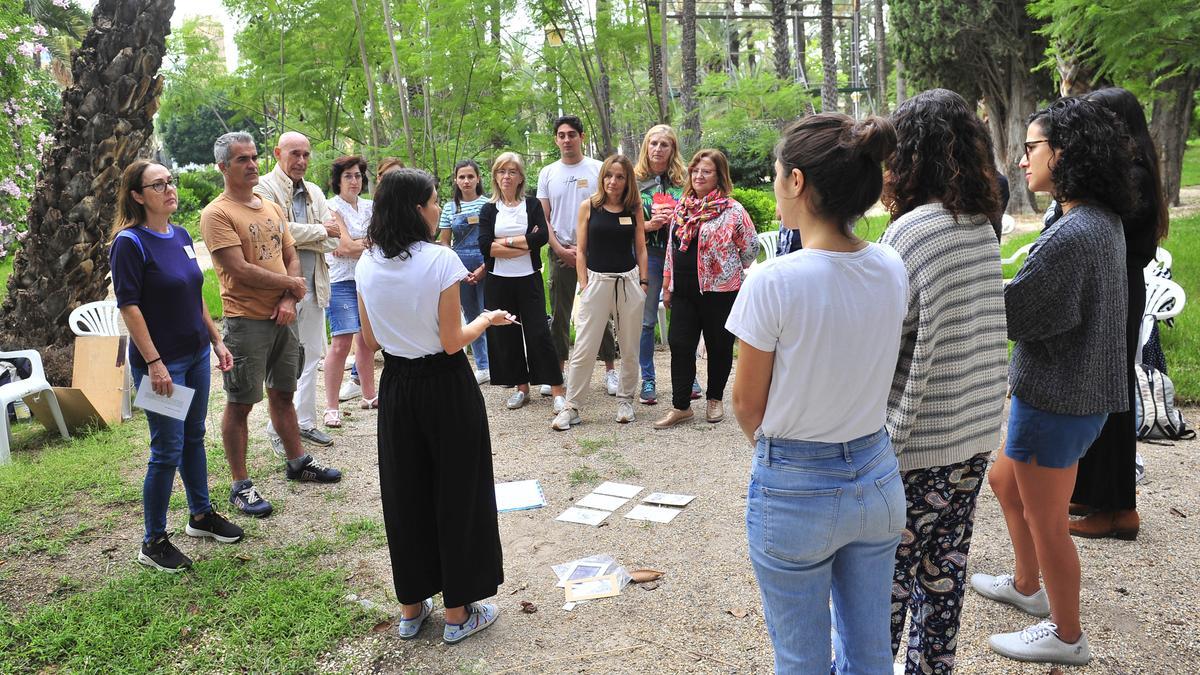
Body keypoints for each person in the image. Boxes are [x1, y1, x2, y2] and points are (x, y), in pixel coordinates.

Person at [727, 113, 907, 673]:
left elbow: (746, 405)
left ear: (798, 182)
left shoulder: (772, 280)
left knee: (801, 659)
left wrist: (792, 458)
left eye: (778, 175)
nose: (774, 188)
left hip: (796, 487)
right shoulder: (891, 265)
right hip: (877, 476)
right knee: (870, 652)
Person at [970, 98, 1134, 667]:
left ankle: (1067, 634)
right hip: (1070, 391)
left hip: (1060, 395)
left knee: (1048, 519)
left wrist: (971, 277)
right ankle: (1025, 583)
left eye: (1031, 148)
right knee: (1004, 482)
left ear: (1062, 153)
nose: (1022, 161)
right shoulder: (1090, 216)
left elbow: (1017, 311)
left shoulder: (1074, 231)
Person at [878, 89, 1008, 674]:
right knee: (943, 577)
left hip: (915, 445)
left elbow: (884, 343)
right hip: (973, 433)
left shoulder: (910, 235)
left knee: (884, 591)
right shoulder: (981, 225)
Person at [356, 167, 506, 644]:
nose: (440, 208)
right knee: (458, 490)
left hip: (398, 383)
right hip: (445, 385)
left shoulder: (366, 262)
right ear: (417, 208)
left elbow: (369, 338)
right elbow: (450, 341)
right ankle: (459, 612)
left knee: (406, 492)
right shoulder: (441, 260)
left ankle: (410, 607)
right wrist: (483, 318)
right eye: (435, 201)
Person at [110, 160, 244, 572]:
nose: (169, 189)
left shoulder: (182, 235)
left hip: (195, 355)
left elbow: (194, 294)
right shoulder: (130, 243)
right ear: (137, 195)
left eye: (171, 181)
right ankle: (152, 541)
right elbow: (129, 307)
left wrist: (216, 339)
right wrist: (153, 362)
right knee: (166, 448)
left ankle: (200, 515)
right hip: (161, 364)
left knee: (193, 436)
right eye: (157, 185)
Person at [201, 131, 342, 519]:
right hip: (246, 320)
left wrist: (287, 298)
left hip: (283, 315)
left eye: (253, 157)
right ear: (223, 167)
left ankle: (297, 461)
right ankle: (240, 484)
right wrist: (291, 287)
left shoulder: (269, 206)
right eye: (241, 159)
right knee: (242, 401)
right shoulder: (218, 213)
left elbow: (290, 254)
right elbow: (237, 268)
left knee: (284, 391)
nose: (251, 164)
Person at [1067, 87, 1168, 540]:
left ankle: (1118, 509)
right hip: (1115, 284)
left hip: (1120, 286)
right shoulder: (1131, 171)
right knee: (1101, 390)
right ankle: (1092, 491)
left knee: (1112, 396)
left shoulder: (1133, 175)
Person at [655, 149, 758, 429]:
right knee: (680, 344)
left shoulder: (732, 210)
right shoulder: (681, 209)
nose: (699, 176)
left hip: (721, 292)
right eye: (696, 170)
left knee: (719, 346)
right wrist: (667, 283)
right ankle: (681, 406)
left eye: (707, 171)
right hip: (684, 291)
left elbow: (750, 248)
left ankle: (714, 399)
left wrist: (725, 267)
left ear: (719, 176)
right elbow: (670, 249)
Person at [254, 132, 339, 453]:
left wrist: (301, 232)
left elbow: (335, 239)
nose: (301, 160)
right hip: (280, 291)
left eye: (306, 154)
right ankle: (278, 429)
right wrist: (317, 231)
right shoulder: (263, 188)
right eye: (294, 154)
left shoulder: (315, 191)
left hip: (314, 285)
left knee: (312, 355)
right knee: (282, 361)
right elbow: (273, 232)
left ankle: (303, 422)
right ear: (278, 153)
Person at [553, 155, 648, 430]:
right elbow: (581, 250)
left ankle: (625, 401)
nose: (613, 182)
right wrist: (584, 284)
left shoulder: (634, 208)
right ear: (601, 177)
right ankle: (572, 407)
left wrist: (643, 283)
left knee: (629, 345)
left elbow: (640, 248)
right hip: (597, 281)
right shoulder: (589, 207)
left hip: (628, 281)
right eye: (608, 175)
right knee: (584, 346)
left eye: (619, 176)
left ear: (627, 180)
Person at [537, 115, 618, 397]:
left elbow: (607, 208)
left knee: (599, 310)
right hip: (561, 251)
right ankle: (558, 372)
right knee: (559, 315)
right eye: (561, 135)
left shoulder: (598, 169)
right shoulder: (547, 173)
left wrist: (587, 250)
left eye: (572, 134)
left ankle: (610, 369)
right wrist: (559, 249)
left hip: (596, 251)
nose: (567, 139)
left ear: (581, 137)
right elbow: (543, 217)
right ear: (556, 139)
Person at [479, 152, 566, 411]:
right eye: (501, 171)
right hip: (498, 282)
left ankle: (557, 389)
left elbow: (539, 239)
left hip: (528, 280)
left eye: (512, 172)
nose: (506, 176)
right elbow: (485, 246)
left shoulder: (531, 206)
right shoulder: (488, 209)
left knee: (539, 333)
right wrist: (522, 243)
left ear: (520, 178)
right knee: (507, 336)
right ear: (495, 176)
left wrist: (504, 242)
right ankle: (521, 387)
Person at [341, 156, 407, 402]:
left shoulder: (411, 202)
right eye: (388, 175)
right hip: (373, 272)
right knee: (366, 329)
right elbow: (347, 245)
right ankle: (358, 379)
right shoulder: (375, 206)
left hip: (400, 271)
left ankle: (362, 377)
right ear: (379, 179)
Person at [633, 124, 690, 406]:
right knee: (646, 322)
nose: (658, 149)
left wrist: (677, 220)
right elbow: (621, 220)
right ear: (646, 146)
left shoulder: (684, 181)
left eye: (664, 144)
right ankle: (648, 379)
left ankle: (687, 376)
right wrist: (648, 225)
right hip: (650, 255)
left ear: (673, 149)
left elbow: (696, 215)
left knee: (683, 317)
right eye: (653, 143)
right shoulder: (633, 180)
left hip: (680, 255)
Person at [321, 155, 377, 428]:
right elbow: (343, 248)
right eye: (348, 176)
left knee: (366, 339)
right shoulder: (331, 208)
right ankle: (331, 407)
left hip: (368, 279)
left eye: (357, 175)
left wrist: (356, 243)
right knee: (342, 342)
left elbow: (382, 239)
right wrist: (364, 243)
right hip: (341, 280)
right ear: (338, 180)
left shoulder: (370, 206)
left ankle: (369, 395)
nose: (354, 181)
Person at [438, 160, 492, 385]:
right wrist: (458, 271)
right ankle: (482, 365)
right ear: (456, 180)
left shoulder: (489, 204)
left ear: (478, 178)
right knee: (471, 316)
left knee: (489, 313)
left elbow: (494, 239)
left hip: (487, 264)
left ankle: (498, 363)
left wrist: (482, 268)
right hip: (460, 269)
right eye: (462, 177)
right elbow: (444, 242)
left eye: (471, 176)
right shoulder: (449, 208)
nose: (466, 181)